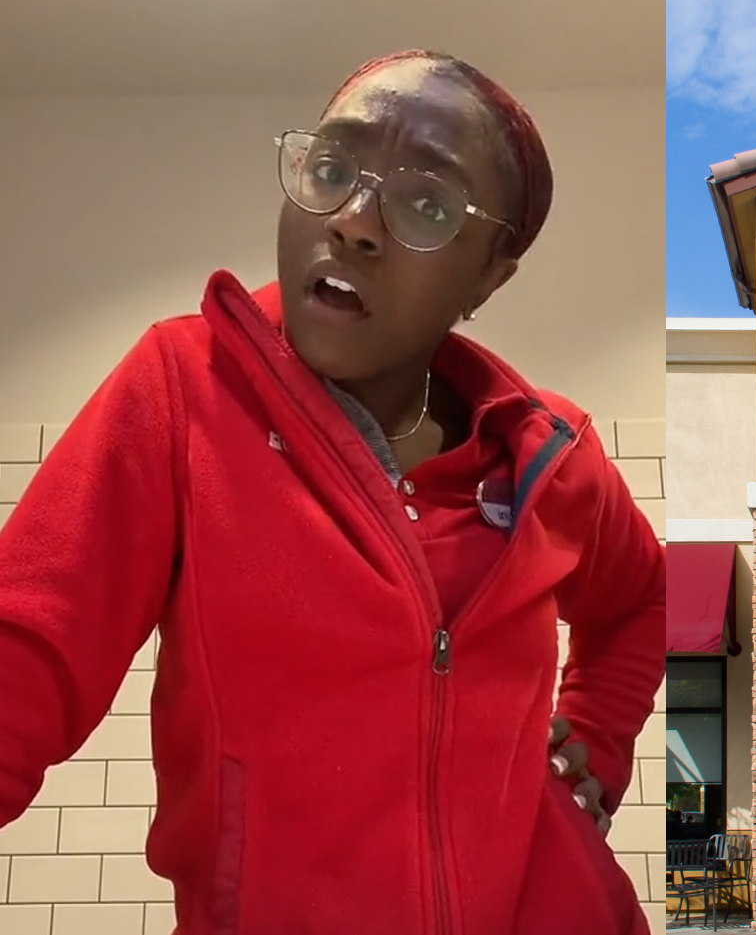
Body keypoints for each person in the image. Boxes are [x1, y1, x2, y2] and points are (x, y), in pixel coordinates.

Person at [0, 51, 667, 935]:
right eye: (332, 168)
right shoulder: (184, 389)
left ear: (488, 277)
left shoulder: (548, 452)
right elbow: (28, 655)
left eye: (426, 204)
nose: (353, 221)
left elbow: (644, 600)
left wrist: (598, 740)